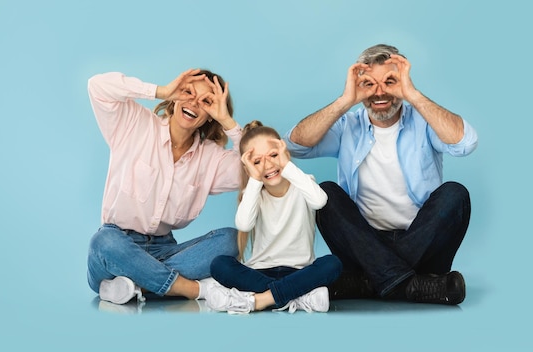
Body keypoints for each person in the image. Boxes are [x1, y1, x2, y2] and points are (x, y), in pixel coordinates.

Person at [284, 44, 478, 305]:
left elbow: (466, 143)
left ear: (403, 83)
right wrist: (345, 101)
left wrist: (413, 95)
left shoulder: (424, 122)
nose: (379, 92)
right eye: (369, 84)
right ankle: (413, 286)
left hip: (422, 243)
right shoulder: (348, 126)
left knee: (455, 194)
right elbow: (296, 145)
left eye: (390, 82)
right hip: (363, 245)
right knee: (325, 194)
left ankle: (367, 282)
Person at [86, 68, 243, 305]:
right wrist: (160, 91)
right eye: (187, 92)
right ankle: (190, 289)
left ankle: (134, 286)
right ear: (175, 95)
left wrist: (227, 121)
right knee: (103, 243)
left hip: (165, 251)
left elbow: (254, 169)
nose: (193, 103)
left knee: (233, 240)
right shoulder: (134, 124)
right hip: (118, 245)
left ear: (211, 113)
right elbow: (97, 85)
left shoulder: (210, 158)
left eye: (206, 101)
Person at [205, 121, 342, 314]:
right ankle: (297, 296)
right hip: (260, 272)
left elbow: (320, 201)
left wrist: (286, 164)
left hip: (299, 271)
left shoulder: (303, 183)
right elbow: (243, 224)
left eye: (273, 155)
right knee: (219, 264)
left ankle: (259, 300)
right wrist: (253, 179)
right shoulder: (253, 193)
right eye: (257, 162)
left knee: (332, 264)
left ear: (284, 154)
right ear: (249, 168)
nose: (268, 165)